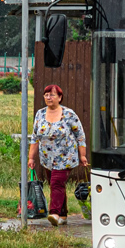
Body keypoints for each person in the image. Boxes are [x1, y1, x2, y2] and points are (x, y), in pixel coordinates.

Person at [29, 84, 88, 226]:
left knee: (56, 183)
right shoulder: (40, 114)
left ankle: (54, 213)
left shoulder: (69, 114)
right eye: (46, 95)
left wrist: (83, 155)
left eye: (52, 95)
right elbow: (35, 137)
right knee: (56, 185)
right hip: (47, 158)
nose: (49, 98)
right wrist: (31, 157)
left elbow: (80, 135)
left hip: (66, 157)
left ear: (60, 97)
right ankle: (63, 214)